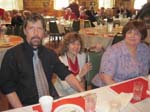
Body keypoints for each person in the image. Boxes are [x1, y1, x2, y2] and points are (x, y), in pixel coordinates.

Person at [0, 13, 84, 108]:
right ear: (24, 31)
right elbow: (8, 87)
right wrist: (22, 110)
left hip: (50, 101)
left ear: (44, 32)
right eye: (31, 28)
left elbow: (66, 74)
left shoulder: (50, 54)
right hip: (24, 105)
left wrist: (83, 93)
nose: (36, 33)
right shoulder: (12, 55)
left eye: (39, 29)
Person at [92, 20, 150, 87]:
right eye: (129, 32)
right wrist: (124, 92)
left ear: (142, 36)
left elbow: (144, 75)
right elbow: (106, 79)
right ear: (125, 34)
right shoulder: (113, 52)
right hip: (110, 87)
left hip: (134, 86)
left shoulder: (145, 49)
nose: (132, 36)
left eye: (137, 34)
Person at [53, 32, 92, 96]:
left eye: (78, 44)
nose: (76, 47)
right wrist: (80, 75)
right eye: (73, 44)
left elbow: (84, 80)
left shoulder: (82, 56)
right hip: (62, 94)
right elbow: (65, 86)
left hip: (78, 91)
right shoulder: (60, 60)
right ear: (66, 45)